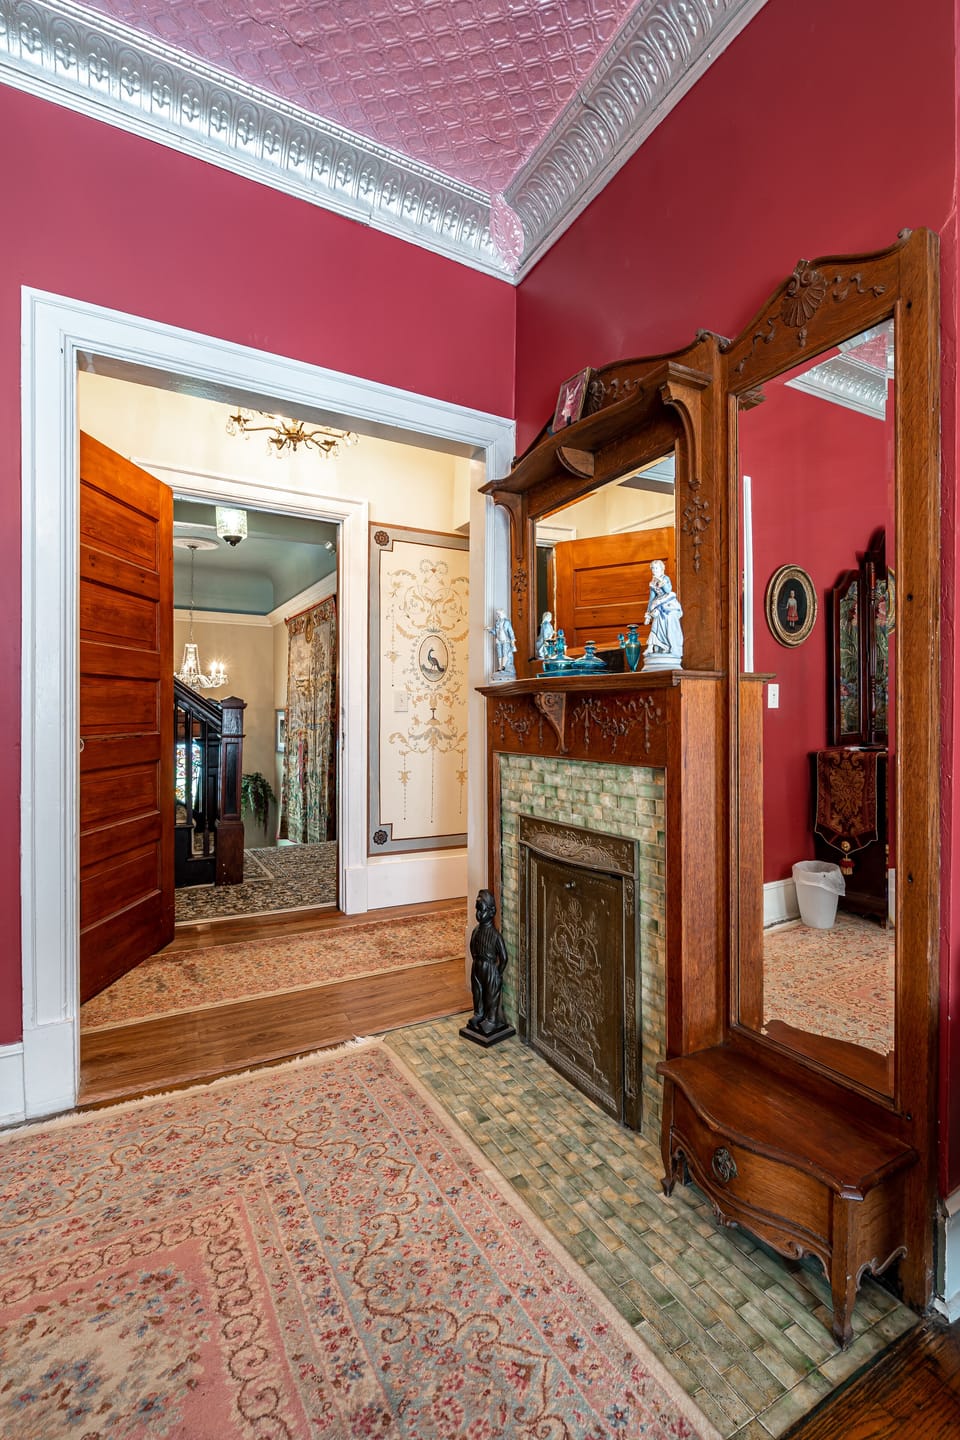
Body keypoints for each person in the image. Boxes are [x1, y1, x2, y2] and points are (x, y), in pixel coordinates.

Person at [466, 889, 510, 1037]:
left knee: (491, 995)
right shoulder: (476, 931)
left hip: (490, 968)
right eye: (477, 910)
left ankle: (491, 1019)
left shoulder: (495, 935)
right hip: (477, 966)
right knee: (477, 992)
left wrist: (497, 972)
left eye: (482, 910)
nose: (479, 914)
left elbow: (504, 957)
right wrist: (476, 961)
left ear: (491, 912)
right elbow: (472, 947)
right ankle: (479, 1013)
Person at [644, 560, 684, 658]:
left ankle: (670, 645)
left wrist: (661, 582)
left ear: (662, 569)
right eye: (653, 568)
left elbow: (668, 590)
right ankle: (654, 646)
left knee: (668, 622)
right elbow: (652, 598)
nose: (654, 570)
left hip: (668, 603)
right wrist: (648, 613)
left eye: (656, 568)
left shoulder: (665, 578)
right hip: (658, 603)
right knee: (656, 623)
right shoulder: (652, 582)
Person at [489, 608, 517, 674]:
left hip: (505, 640)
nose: (498, 615)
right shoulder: (497, 622)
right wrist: (490, 630)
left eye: (499, 614)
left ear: (502, 614)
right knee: (499, 654)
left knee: (505, 652)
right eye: (497, 614)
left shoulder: (507, 622)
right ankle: (500, 667)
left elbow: (510, 631)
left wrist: (512, 639)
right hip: (498, 640)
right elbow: (495, 632)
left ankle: (503, 666)